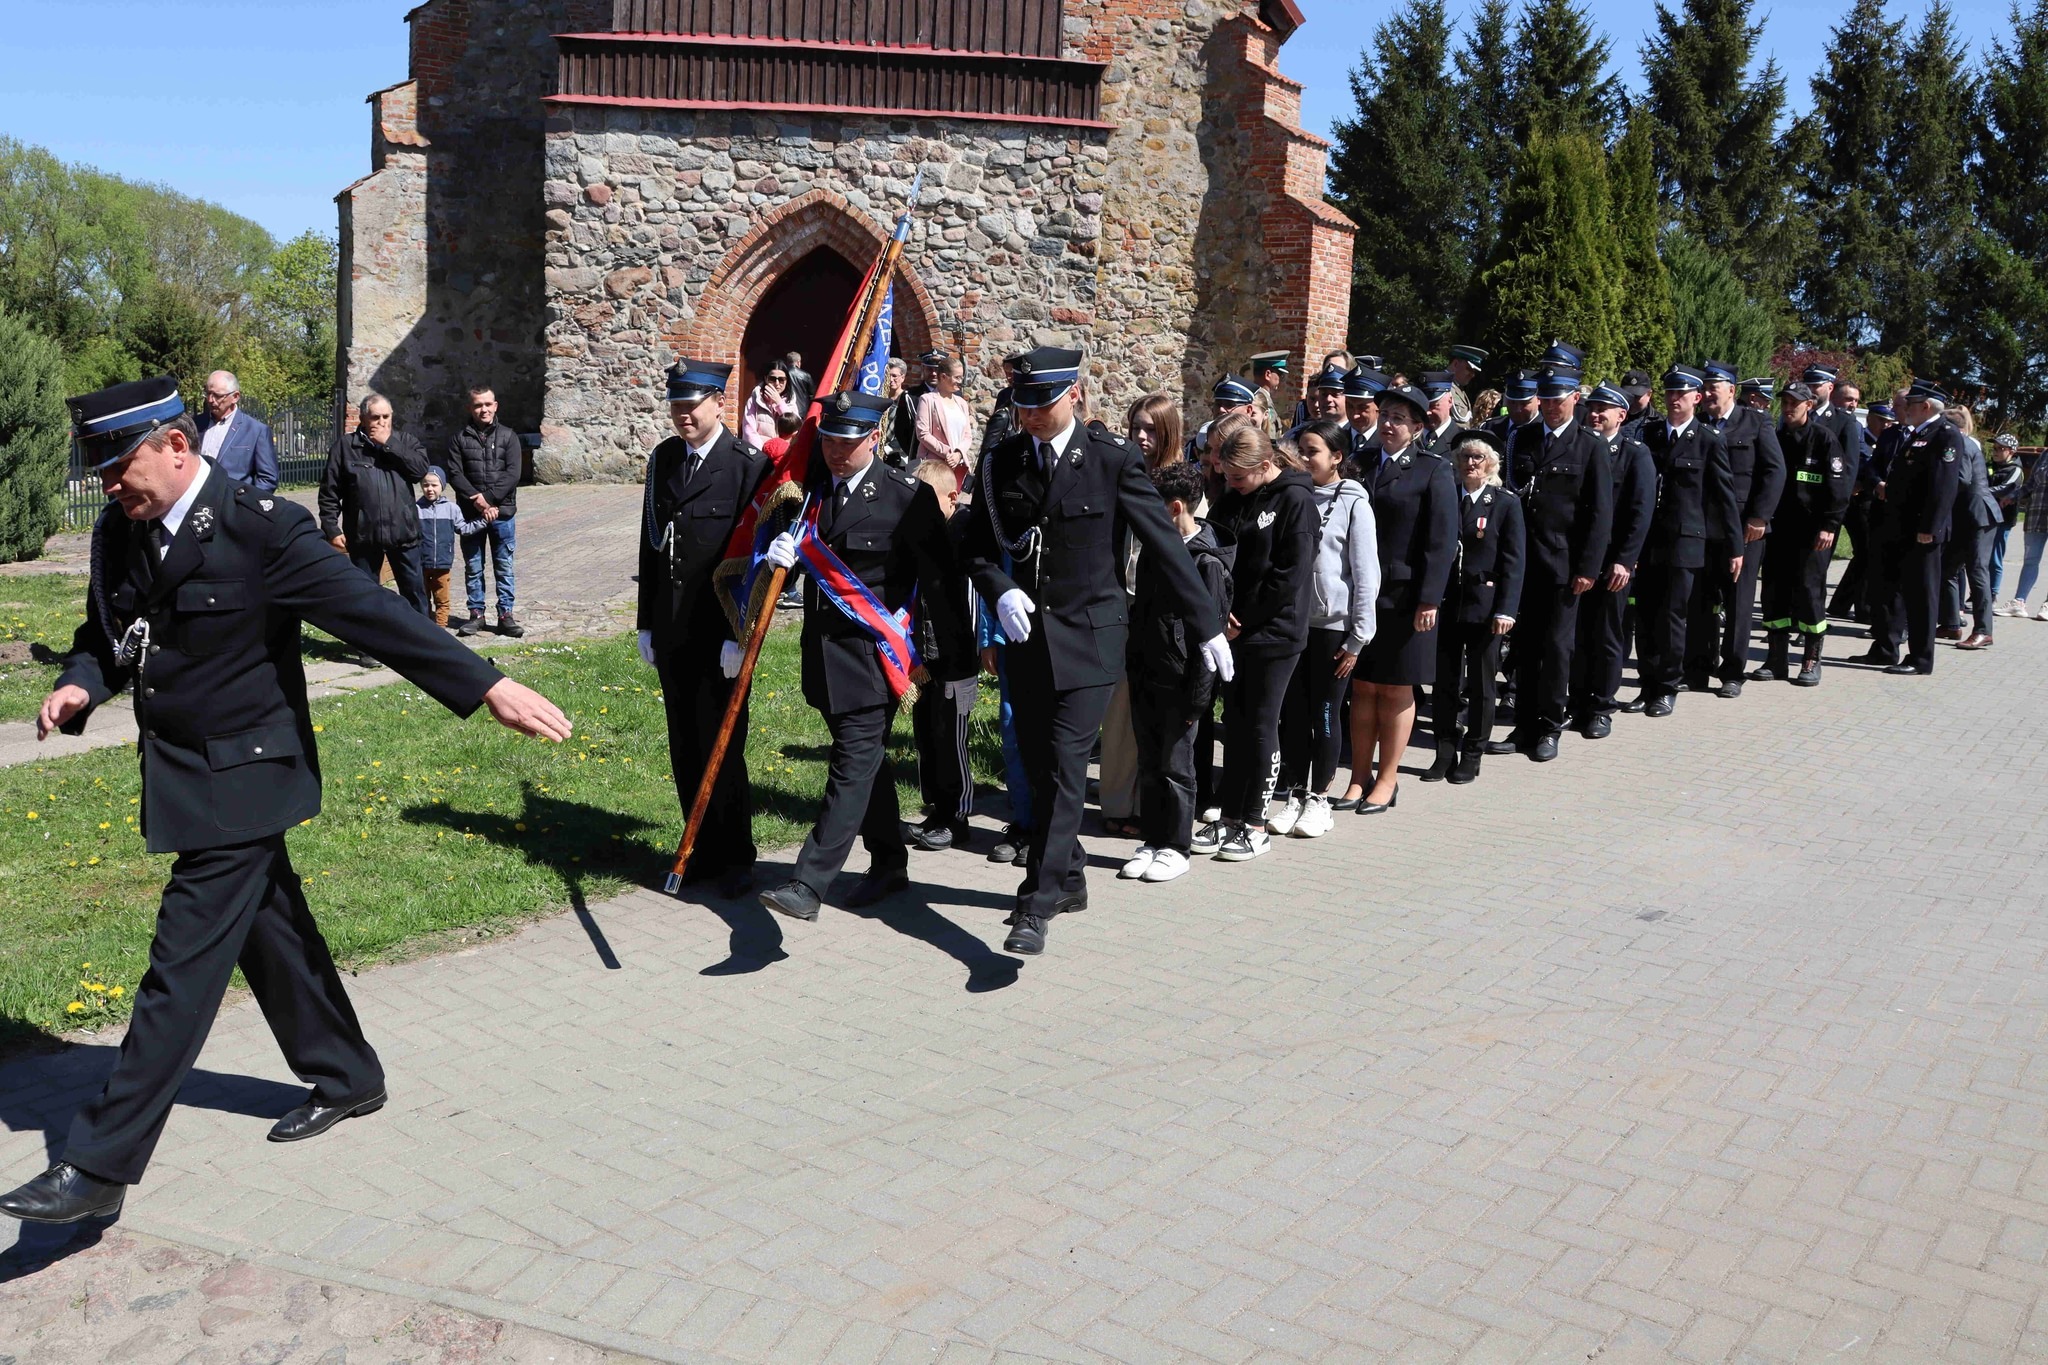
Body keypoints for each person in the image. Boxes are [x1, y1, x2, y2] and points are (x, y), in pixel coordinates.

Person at [0, 377, 569, 1225]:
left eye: (120, 467)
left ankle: (99, 1163)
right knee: (270, 930)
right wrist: (82, 684)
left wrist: (485, 684)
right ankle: (348, 1073)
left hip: (248, 775)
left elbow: (371, 613)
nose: (110, 485)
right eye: (103, 473)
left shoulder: (260, 529)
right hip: (184, 770)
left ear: (176, 446)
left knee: (183, 963)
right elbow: (108, 634)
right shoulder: (121, 530)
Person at [961, 346, 1231, 955]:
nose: (1030, 414)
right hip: (1028, 640)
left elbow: (1164, 543)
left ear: (1075, 395)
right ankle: (1072, 876)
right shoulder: (1002, 460)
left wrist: (1207, 625)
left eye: (1043, 402)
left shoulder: (1111, 459)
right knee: (1041, 769)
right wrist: (999, 588)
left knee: (1063, 764)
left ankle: (1036, 903)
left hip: (1091, 640)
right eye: (1022, 403)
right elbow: (974, 544)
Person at [753, 394, 971, 921]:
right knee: (867, 763)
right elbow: (804, 559)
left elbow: (941, 581)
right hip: (823, 657)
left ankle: (809, 882)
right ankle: (890, 863)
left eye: (847, 441)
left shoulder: (905, 498)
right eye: (829, 439)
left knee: (851, 765)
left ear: (874, 437)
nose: (835, 450)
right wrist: (779, 554)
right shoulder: (813, 493)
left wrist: (955, 660)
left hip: (876, 660)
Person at [637, 359, 771, 898]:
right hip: (673, 628)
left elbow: (755, 563)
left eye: (692, 405)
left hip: (720, 635)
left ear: (719, 402)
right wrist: (647, 621)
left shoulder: (746, 467)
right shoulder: (665, 459)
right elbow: (650, 546)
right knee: (685, 744)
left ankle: (736, 856)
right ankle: (698, 849)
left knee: (723, 744)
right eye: (676, 405)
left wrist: (741, 635)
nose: (683, 415)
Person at [1198, 416, 1314, 861]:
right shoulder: (1233, 495)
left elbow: (1289, 574)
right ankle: (1229, 816)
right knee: (1237, 724)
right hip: (1234, 630)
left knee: (1262, 725)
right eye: (1226, 475)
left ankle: (1254, 823)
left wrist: (1243, 618)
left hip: (1275, 632)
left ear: (1266, 465)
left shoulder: (1295, 500)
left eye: (1238, 477)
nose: (1230, 483)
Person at [1492, 361, 1611, 762]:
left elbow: (1599, 514)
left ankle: (1548, 727)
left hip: (1563, 566)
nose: (1549, 406)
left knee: (1557, 650)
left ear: (1575, 398)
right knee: (1524, 648)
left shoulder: (1589, 445)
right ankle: (1523, 726)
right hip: (1523, 563)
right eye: (1544, 399)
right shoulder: (1522, 438)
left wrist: (1588, 568)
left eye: (1557, 399)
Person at [1123, 459, 1234, 886]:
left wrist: (1197, 700)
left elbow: (1209, 643)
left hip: (1182, 683)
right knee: (1150, 763)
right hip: (1146, 673)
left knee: (1176, 767)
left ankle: (1176, 846)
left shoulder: (1207, 563)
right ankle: (1152, 840)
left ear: (1173, 508)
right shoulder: (1157, 550)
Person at [1345, 385, 1457, 805]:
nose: (1388, 424)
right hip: (1362, 594)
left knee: (1394, 689)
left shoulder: (1432, 469)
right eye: (1385, 415)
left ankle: (1387, 780)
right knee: (1363, 687)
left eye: (1398, 419)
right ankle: (1358, 777)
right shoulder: (1360, 462)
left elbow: (1441, 541)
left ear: (1416, 428)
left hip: (1406, 598)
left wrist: (1430, 598)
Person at [1270, 421, 1376, 836]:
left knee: (1325, 712)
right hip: (1294, 623)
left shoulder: (1353, 502)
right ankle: (1295, 794)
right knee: (1293, 714)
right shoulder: (1291, 495)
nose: (1303, 457)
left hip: (1333, 627)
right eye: (1300, 449)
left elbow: (1366, 573)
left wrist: (1358, 637)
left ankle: (1320, 799)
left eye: (1312, 450)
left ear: (1336, 457)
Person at [1623, 366, 1738, 717]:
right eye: (1670, 393)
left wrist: (1735, 547)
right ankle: (1647, 684)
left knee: (1672, 617)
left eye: (1682, 394)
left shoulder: (1708, 439)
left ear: (1697, 398)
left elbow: (1725, 497)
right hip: (1649, 540)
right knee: (1645, 615)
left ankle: (1667, 687)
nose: (1675, 399)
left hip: (1685, 541)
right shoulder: (1650, 434)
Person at [1428, 432, 1523, 784]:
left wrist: (1506, 610)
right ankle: (1444, 750)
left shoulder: (1505, 503)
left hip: (1485, 606)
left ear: (1491, 464)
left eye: (1478, 457)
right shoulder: (1446, 496)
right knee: (1444, 681)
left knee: (1482, 684)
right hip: (1447, 603)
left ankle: (1473, 752)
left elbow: (1514, 561)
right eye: (1465, 457)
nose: (1470, 463)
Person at [1686, 361, 1785, 696]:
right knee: (1701, 599)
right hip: (1702, 526)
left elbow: (1774, 471)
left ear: (1731, 390)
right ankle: (1698, 667)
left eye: (1714, 388)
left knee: (1738, 600)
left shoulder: (1756, 422)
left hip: (1744, 528)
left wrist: (1760, 517)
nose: (1708, 394)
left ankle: (1732, 672)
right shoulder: (1697, 424)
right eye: (1705, 388)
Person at [1852, 380, 1964, 675]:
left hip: (1921, 530)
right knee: (1888, 589)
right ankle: (1885, 649)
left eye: (1910, 404)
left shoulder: (1945, 434)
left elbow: (1943, 486)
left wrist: (1930, 526)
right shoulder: (1917, 434)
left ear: (1925, 406)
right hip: (1897, 525)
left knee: (1921, 594)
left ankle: (1920, 659)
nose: (1904, 410)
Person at [901, 461, 982, 852]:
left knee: (952, 738)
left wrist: (974, 650)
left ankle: (957, 816)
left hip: (956, 657)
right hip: (924, 658)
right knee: (927, 736)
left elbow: (973, 600)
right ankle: (936, 808)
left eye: (927, 502)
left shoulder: (965, 532)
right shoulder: (919, 533)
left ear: (952, 497)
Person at [1752, 382, 1852, 685]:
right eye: (1784, 402)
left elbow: (1838, 488)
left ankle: (1810, 659)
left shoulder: (1823, 438)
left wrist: (1829, 526)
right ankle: (1776, 659)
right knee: (1774, 593)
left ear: (1808, 405)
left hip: (1812, 533)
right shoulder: (1776, 437)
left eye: (1794, 403)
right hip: (1778, 530)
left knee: (1809, 593)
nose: (1787, 408)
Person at [1569, 383, 1654, 739]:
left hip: (1611, 564)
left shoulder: (1635, 454)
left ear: (1622, 415)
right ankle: (1576, 702)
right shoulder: (1578, 447)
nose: (1595, 414)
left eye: (1603, 409)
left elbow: (1640, 513)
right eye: (1592, 408)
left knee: (1605, 636)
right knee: (1576, 635)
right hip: (1577, 560)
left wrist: (1625, 561)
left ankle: (1601, 707)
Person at [318, 393, 431, 622]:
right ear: (362, 418)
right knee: (365, 597)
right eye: (375, 417)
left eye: (386, 417)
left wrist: (389, 444)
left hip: (403, 533)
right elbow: (330, 491)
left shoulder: (405, 441)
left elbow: (419, 471)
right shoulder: (345, 447)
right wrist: (331, 528)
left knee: (415, 594)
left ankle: (422, 639)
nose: (382, 422)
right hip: (363, 535)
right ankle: (369, 641)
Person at [445, 385, 526, 638]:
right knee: (473, 566)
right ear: (470, 408)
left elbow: (513, 473)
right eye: (478, 405)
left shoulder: (508, 436)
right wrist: (477, 501)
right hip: (471, 515)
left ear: (495, 406)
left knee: (504, 566)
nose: (484, 410)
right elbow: (455, 474)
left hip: (502, 513)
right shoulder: (459, 439)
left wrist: (488, 499)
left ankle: (506, 615)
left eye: (488, 404)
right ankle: (476, 615)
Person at [1940, 408, 1999, 649]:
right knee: (1947, 569)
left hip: (1978, 517)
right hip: (1965, 518)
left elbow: (1962, 480)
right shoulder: (1962, 442)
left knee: (1977, 572)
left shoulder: (1961, 444)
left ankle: (1984, 631)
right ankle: (1951, 623)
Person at [195, 370, 280, 491]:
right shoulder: (194, 425)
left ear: (235, 397)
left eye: (217, 395)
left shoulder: (256, 431)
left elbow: (268, 479)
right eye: (208, 393)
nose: (210, 400)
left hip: (234, 500)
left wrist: (246, 501)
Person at [415, 466, 469, 628]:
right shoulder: (416, 508)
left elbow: (463, 528)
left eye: (434, 485)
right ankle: (425, 627)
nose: (430, 489)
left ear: (442, 486)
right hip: (421, 563)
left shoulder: (451, 508)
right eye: (426, 485)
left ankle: (441, 627)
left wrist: (483, 521)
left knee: (442, 599)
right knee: (423, 597)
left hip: (442, 563)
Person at [915, 354, 975, 492]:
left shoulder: (962, 403)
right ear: (943, 377)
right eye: (957, 377)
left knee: (953, 501)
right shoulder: (927, 400)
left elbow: (967, 435)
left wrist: (958, 454)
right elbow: (923, 433)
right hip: (934, 466)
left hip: (957, 465)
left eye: (961, 377)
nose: (960, 381)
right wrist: (947, 453)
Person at [2010, 441, 2048, 619]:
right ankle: (2019, 602)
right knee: (2030, 560)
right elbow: (2031, 483)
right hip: (2036, 515)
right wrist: (2012, 496)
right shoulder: (2045, 455)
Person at [1989, 434, 2026, 615]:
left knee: (1995, 557)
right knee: (1980, 558)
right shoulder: (1990, 466)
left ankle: (1992, 594)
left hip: (2003, 520)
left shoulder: (2015, 470)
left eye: (2000, 448)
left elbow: (2005, 488)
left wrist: (1981, 491)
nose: (1995, 452)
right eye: (1994, 448)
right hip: (1985, 518)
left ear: (2011, 451)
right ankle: (1977, 595)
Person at [741, 361, 794, 449]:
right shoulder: (755, 399)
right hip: (760, 452)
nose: (777, 383)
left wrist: (779, 403)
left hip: (783, 453)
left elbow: (794, 427)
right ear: (766, 379)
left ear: (786, 381)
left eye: (781, 379)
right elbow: (749, 430)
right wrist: (762, 452)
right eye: (772, 379)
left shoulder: (790, 401)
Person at [877, 357, 915, 468]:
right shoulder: (879, 398)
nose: (890, 379)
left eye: (894, 376)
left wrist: (887, 449)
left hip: (898, 458)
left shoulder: (908, 400)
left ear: (902, 377)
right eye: (887, 375)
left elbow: (909, 432)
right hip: (876, 452)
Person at [1415, 372, 1464, 457]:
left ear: (1450, 401)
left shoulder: (1462, 441)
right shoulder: (1406, 436)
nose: (1427, 412)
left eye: (1433, 406)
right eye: (1423, 406)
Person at [1249, 351, 1291, 441]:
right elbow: (1270, 436)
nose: (1281, 380)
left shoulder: (1252, 395)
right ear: (1268, 374)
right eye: (1280, 375)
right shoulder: (1262, 400)